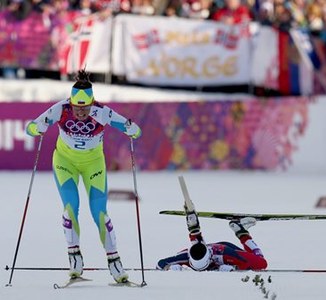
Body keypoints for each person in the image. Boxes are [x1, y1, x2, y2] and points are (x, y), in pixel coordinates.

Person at [25, 70, 142, 283]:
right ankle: (75, 257)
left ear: (92, 102)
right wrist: (36, 128)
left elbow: (130, 127)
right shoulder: (60, 108)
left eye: (85, 108)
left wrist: (132, 130)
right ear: (71, 102)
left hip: (93, 165)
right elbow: (30, 128)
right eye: (77, 108)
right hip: (64, 162)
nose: (81, 113)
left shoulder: (102, 112)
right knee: (70, 209)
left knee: (100, 213)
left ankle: (114, 262)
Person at [157, 205, 267, 272]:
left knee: (260, 262)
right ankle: (238, 226)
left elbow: (261, 265)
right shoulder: (185, 256)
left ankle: (242, 232)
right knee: (197, 242)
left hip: (223, 251)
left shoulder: (224, 255)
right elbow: (160, 263)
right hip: (204, 248)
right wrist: (169, 268)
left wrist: (234, 268)